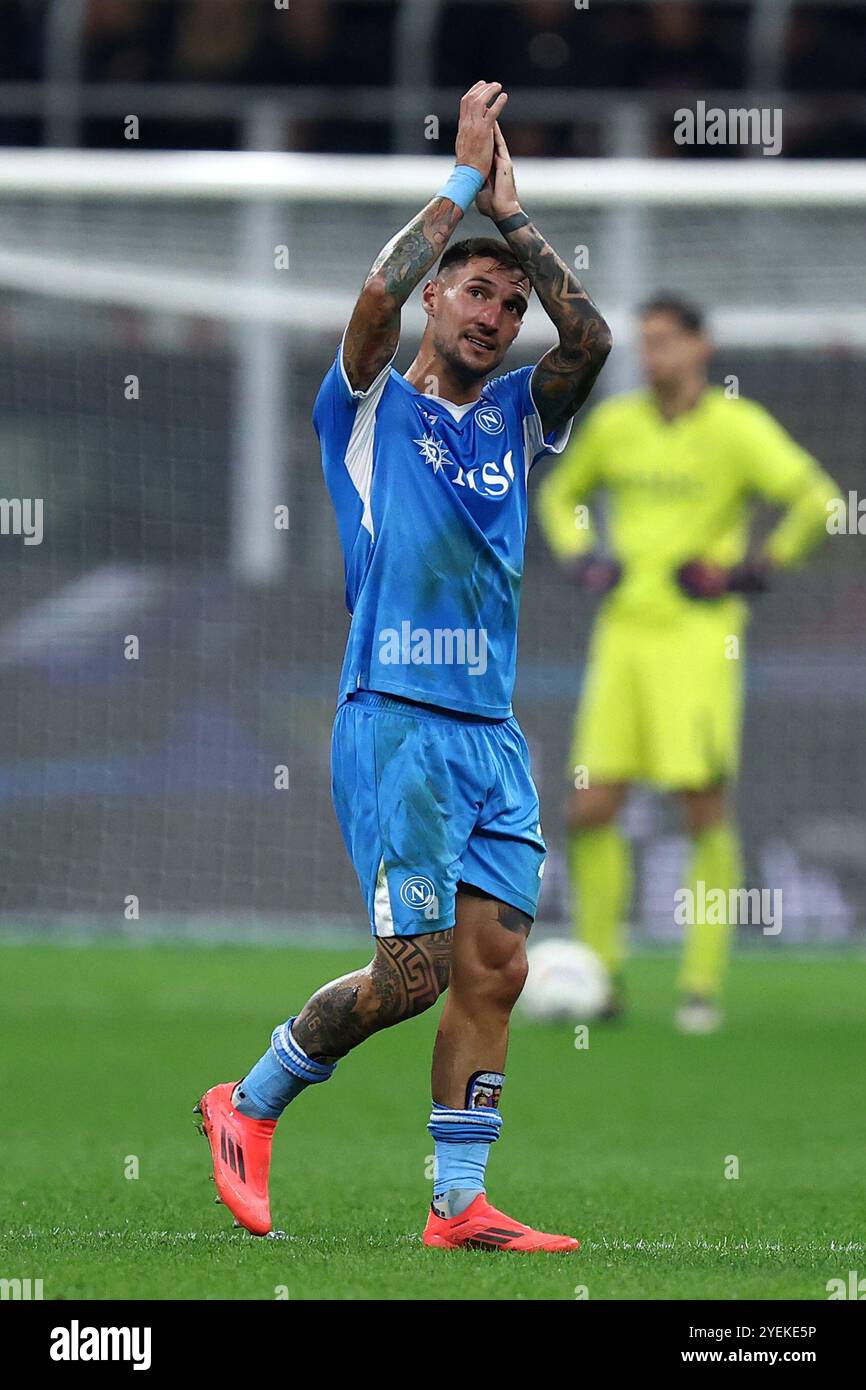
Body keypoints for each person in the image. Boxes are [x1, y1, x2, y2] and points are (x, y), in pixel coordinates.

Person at [196, 82, 611, 1250]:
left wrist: (517, 220)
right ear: (438, 295)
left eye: (508, 299)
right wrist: (460, 184)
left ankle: (456, 1204)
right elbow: (372, 296)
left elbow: (594, 340)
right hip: (395, 720)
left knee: (495, 965)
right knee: (412, 972)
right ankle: (251, 1099)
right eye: (477, 289)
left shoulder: (520, 415)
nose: (495, 311)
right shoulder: (364, 405)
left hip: (489, 733)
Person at [537, 295, 839, 1032]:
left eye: (668, 340)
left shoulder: (737, 429)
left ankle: (699, 987)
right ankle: (603, 979)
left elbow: (818, 501)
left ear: (702, 348)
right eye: (645, 341)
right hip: (624, 640)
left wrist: (749, 571)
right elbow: (562, 494)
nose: (654, 354)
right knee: (590, 807)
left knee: (700, 807)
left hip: (701, 644)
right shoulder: (618, 425)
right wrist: (583, 558)